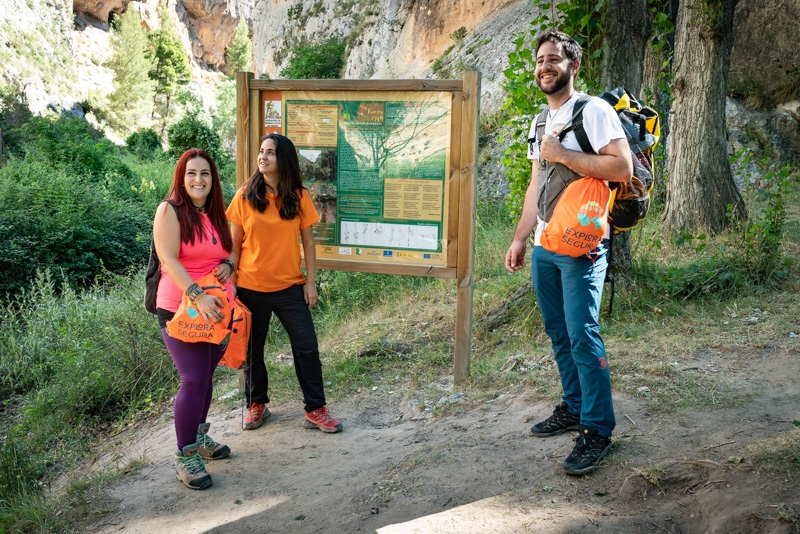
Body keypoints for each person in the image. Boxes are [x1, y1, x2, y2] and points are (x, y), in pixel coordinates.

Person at [504, 31, 633, 475]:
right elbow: (535, 185)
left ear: (572, 65)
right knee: (559, 332)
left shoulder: (592, 110)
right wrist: (521, 237)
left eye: (554, 59)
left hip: (582, 246)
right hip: (544, 244)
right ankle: (575, 407)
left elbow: (622, 167)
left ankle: (597, 430)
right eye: (540, 60)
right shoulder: (538, 122)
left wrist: (564, 153)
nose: (545, 66)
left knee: (582, 334)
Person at [227, 133, 342, 434]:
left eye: (270, 153)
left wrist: (312, 283)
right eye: (261, 151)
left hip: (290, 287)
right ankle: (257, 404)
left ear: (284, 160)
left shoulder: (298, 196)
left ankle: (315, 409)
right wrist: (230, 288)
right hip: (250, 287)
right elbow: (234, 246)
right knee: (252, 351)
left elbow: (309, 243)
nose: (262, 157)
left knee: (306, 347)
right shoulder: (244, 196)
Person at [153, 148, 236, 490]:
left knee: (206, 376)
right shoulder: (169, 210)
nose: (198, 180)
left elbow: (230, 249)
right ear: (181, 177)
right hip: (179, 307)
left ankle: (199, 438)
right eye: (191, 173)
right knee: (193, 378)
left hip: (216, 312)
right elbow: (169, 259)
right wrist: (198, 296)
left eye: (204, 173)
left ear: (212, 179)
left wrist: (230, 265)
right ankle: (185, 454)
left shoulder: (216, 212)